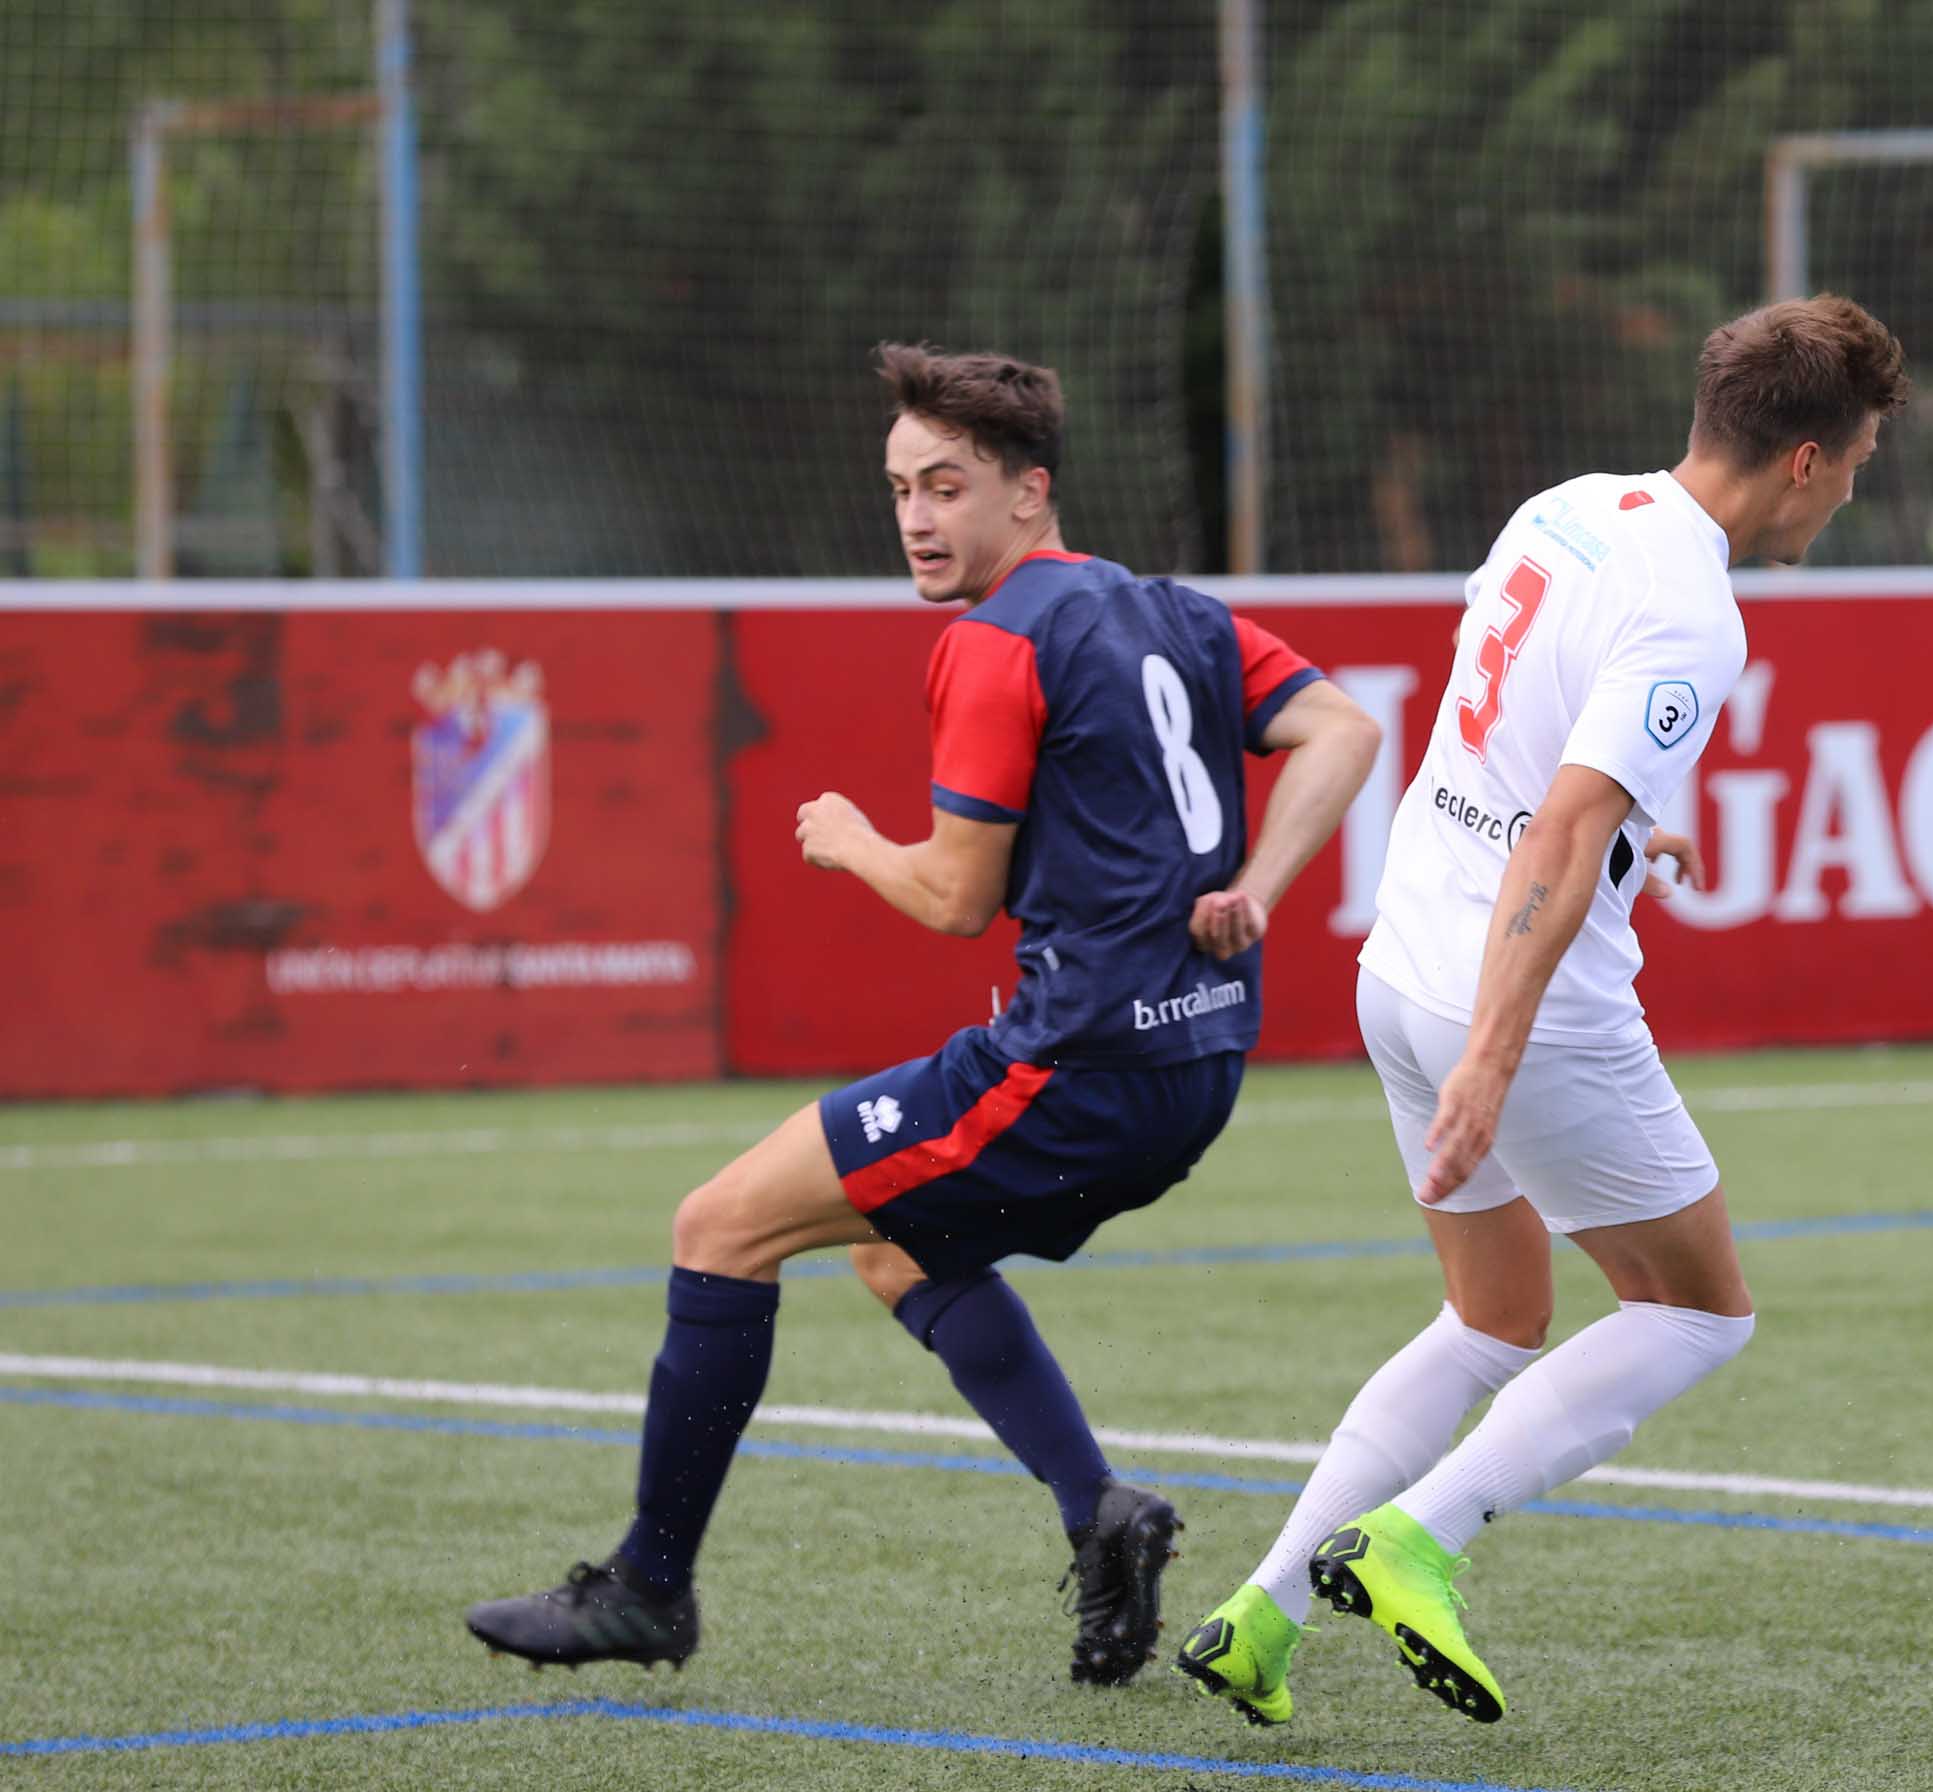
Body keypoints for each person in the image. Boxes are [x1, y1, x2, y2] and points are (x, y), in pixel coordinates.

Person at [467, 343, 1379, 1687]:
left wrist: (849, 840)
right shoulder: (1174, 612)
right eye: (901, 487)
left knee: (720, 1227)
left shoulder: (996, 641)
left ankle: (650, 1589)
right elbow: (1345, 730)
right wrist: (1256, 886)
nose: (914, 517)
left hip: (1077, 1063)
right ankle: (1100, 1514)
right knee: (892, 1252)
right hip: (1197, 1061)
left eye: (945, 486)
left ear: (1029, 493)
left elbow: (959, 898)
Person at [1175, 296, 1907, 1726]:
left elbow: (1515, 740)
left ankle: (1259, 1614)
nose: (1858, 485)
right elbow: (1561, 835)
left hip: (1400, 969)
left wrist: (1644, 835)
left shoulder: (1568, 509)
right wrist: (1497, 1060)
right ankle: (1414, 1539)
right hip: (1519, 1010)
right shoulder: (1699, 613)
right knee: (1699, 1315)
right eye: (1866, 458)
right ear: (1808, 460)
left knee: (1495, 1318)